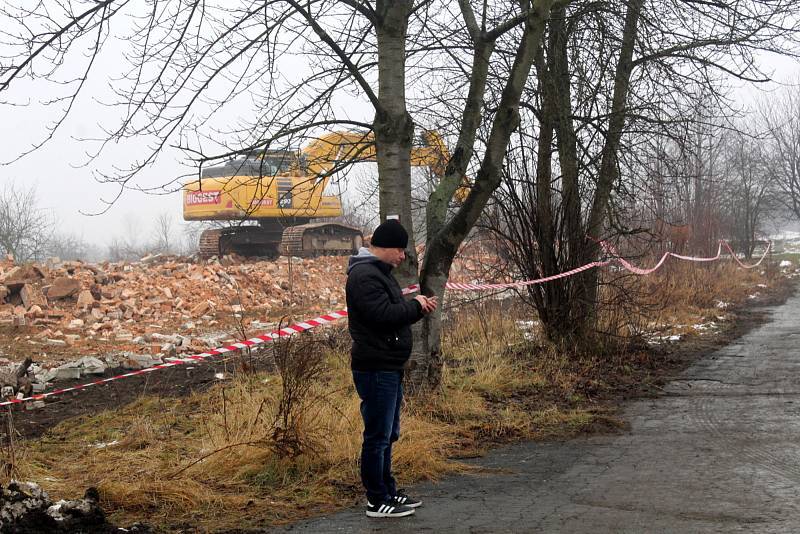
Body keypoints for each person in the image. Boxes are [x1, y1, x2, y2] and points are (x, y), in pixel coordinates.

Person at [346, 218, 438, 518]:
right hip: (375, 367)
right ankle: (376, 500)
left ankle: (388, 491)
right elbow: (382, 315)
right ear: (384, 247)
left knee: (388, 433)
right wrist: (416, 307)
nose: (402, 257)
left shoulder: (378, 273)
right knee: (377, 435)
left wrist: (413, 304)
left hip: (387, 365)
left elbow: (389, 310)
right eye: (399, 250)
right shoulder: (364, 276)